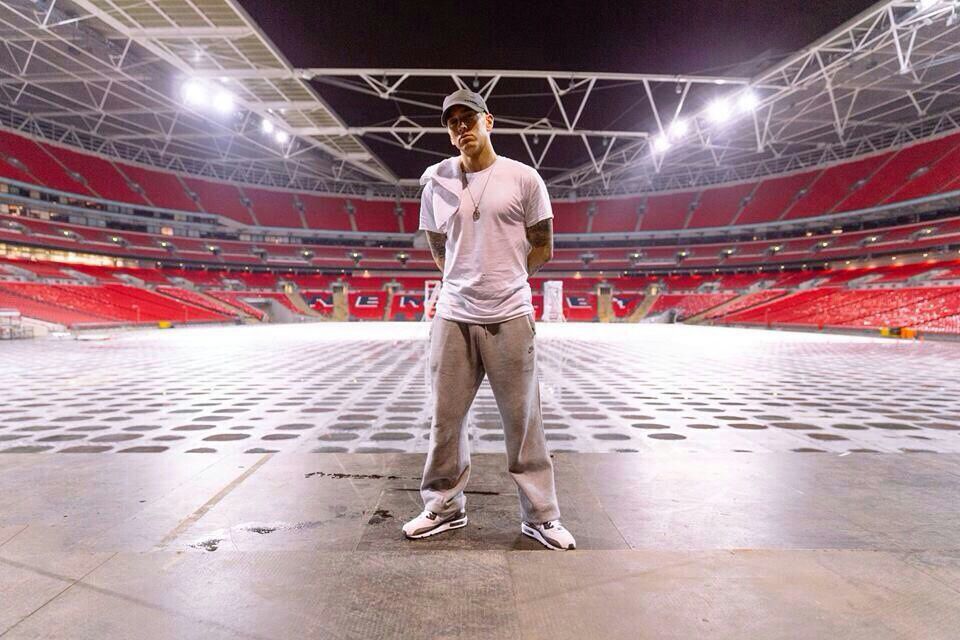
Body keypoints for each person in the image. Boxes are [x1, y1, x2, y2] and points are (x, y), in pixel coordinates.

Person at [401, 89, 576, 551]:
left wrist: (507, 279)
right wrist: (463, 279)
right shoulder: (437, 181)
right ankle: (444, 507)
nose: (461, 127)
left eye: (468, 118)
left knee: (523, 420)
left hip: (510, 314)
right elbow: (437, 245)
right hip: (454, 315)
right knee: (445, 419)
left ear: (488, 121)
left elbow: (543, 243)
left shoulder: (523, 178)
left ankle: (540, 516)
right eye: (452, 121)